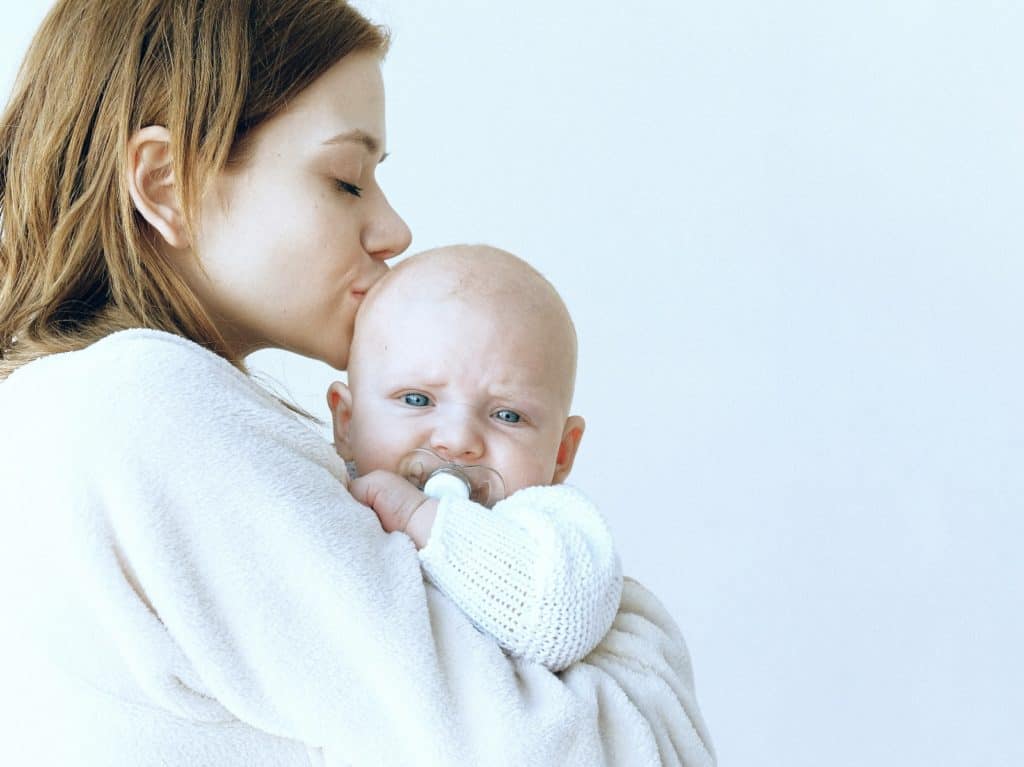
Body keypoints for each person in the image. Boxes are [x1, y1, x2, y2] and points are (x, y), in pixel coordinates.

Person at [0, 1, 716, 765]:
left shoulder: (63, 409)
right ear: (166, 182)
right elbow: (585, 751)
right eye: (346, 180)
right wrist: (641, 641)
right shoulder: (147, 405)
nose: (394, 230)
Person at [329, 244, 623, 673]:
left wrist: (417, 517)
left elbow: (558, 621)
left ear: (561, 453)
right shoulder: (320, 494)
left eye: (508, 415)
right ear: (347, 422)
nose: (458, 440)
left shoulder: (555, 530)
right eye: (417, 399)